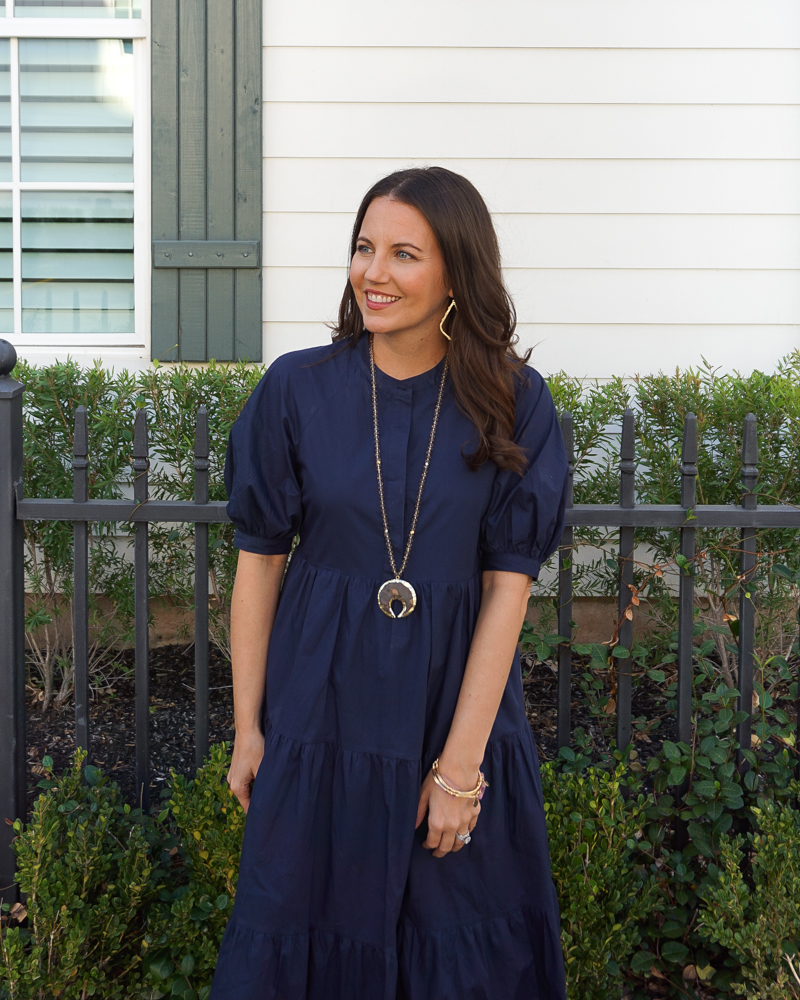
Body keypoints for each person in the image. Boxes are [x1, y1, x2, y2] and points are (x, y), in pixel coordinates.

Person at [210, 166, 569, 1000]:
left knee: (460, 950)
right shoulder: (297, 391)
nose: (374, 273)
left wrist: (459, 772)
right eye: (364, 249)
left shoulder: (514, 403)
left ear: (456, 271)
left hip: (453, 712)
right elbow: (258, 566)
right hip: (320, 709)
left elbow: (509, 590)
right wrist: (247, 726)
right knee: (304, 933)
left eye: (405, 254)